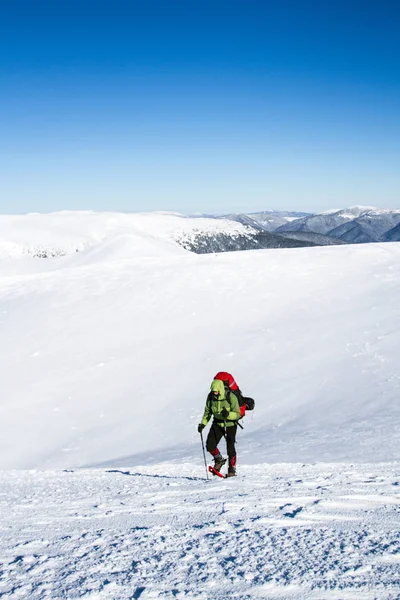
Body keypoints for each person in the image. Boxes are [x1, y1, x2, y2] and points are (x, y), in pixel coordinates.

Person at [197, 375, 241, 477]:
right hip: (217, 423)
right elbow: (208, 412)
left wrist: (228, 415)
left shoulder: (231, 396)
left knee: (230, 447)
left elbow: (237, 413)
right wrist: (203, 424)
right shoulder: (211, 397)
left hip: (230, 424)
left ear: (220, 389)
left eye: (216, 391)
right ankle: (219, 460)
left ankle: (232, 470)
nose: (215, 393)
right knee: (210, 445)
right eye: (213, 391)